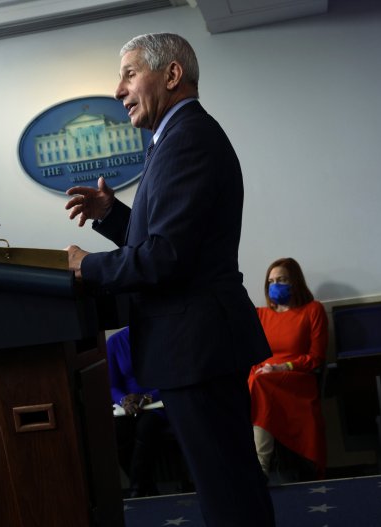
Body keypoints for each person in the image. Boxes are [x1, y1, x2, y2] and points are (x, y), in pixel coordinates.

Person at [64, 33, 275, 527]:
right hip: (194, 345)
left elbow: (166, 259)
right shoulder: (175, 139)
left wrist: (84, 267)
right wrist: (113, 214)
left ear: (172, 75)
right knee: (229, 484)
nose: (118, 89)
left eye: (129, 74)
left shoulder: (189, 138)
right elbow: (167, 241)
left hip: (197, 346)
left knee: (229, 489)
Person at [249, 257, 328, 480]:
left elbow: (316, 357)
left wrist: (283, 366)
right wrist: (262, 370)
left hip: (296, 379)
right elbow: (254, 357)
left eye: (282, 279)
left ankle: (260, 467)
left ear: (295, 282)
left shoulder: (313, 310)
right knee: (254, 381)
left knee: (259, 382)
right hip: (263, 379)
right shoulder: (261, 315)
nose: (275, 285)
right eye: (271, 281)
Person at [107, 327, 168, 498]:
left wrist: (148, 397)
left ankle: (138, 490)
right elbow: (112, 385)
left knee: (146, 427)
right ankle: (147, 487)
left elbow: (173, 378)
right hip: (128, 405)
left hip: (159, 402)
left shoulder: (163, 335)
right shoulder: (115, 341)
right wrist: (124, 400)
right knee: (117, 432)